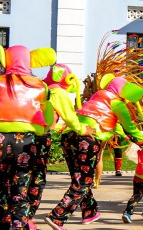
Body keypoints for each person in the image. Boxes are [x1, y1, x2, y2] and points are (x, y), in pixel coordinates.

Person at [44, 75, 143, 230]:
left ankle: (90, 212)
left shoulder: (97, 98)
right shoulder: (117, 104)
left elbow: (117, 128)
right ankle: (57, 216)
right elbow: (131, 129)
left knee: (78, 177)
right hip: (87, 139)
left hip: (68, 137)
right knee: (84, 181)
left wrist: (135, 140)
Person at [0, 45, 56, 230]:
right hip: (25, 143)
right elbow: (46, 120)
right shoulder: (40, 85)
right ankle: (19, 225)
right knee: (20, 189)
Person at [28, 64, 91, 224]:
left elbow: (42, 117)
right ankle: (27, 217)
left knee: (23, 177)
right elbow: (70, 117)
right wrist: (83, 129)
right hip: (40, 139)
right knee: (37, 178)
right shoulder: (59, 93)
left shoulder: (43, 91)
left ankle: (16, 215)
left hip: (23, 136)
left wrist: (57, 126)